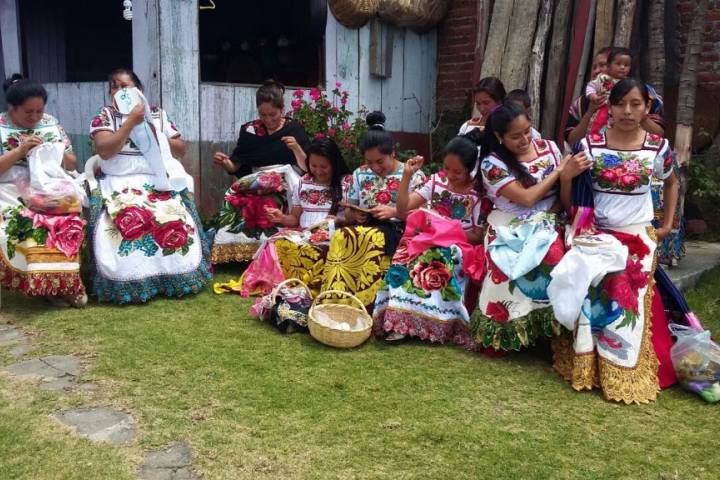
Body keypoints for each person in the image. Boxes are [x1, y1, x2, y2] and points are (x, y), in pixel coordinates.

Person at [551, 79, 679, 404]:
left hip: (637, 235)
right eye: (620, 104)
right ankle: (588, 365)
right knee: (593, 290)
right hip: (595, 235)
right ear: (609, 107)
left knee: (626, 293)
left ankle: (623, 368)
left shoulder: (658, 148)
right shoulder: (590, 146)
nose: (627, 111)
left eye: (636, 104)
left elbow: (672, 182)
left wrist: (666, 225)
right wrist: (566, 178)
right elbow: (571, 204)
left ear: (647, 108)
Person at [470, 102, 586, 352]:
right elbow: (527, 198)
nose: (524, 140)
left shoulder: (549, 148)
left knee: (558, 255)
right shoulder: (492, 164)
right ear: (500, 137)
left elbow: (564, 197)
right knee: (516, 261)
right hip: (510, 227)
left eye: (527, 131)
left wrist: (563, 184)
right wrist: (559, 171)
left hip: (550, 218)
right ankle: (509, 331)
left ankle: (555, 332)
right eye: (515, 136)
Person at [88, 68, 212, 303]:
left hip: (156, 181)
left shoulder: (156, 114)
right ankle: (131, 283)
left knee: (172, 219)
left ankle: (174, 278)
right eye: (114, 87)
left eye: (124, 86)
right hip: (120, 183)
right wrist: (130, 123)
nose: (118, 91)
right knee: (127, 224)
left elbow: (181, 149)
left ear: (139, 89)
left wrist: (156, 132)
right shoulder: (105, 115)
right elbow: (104, 151)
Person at [373, 135, 485, 347]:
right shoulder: (437, 181)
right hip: (428, 240)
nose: (450, 175)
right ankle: (400, 320)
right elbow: (403, 208)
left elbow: (477, 235)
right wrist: (407, 175)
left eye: (457, 172)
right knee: (404, 255)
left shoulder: (478, 193)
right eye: (446, 168)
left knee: (435, 259)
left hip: (459, 247)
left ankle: (434, 322)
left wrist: (446, 231)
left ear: (471, 169)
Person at [216, 137, 353, 297]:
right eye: (313, 165)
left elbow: (353, 217)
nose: (318, 171)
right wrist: (281, 217)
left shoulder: (346, 183)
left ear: (334, 163)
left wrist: (339, 220)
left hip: (334, 234)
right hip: (304, 233)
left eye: (324, 166)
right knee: (273, 242)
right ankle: (273, 283)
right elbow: (294, 219)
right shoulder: (304, 182)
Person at [318, 111, 426, 310]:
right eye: (369, 162)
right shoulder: (360, 174)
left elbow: (423, 217)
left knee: (370, 237)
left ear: (392, 153)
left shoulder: (412, 174)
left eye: (380, 161)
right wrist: (355, 214)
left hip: (398, 229)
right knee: (342, 236)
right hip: (367, 226)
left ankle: (365, 304)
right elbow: (347, 213)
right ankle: (335, 299)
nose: (375, 167)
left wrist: (393, 212)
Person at [0, 75, 87, 307]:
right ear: (12, 107)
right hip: (9, 189)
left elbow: (72, 163)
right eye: (28, 112)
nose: (35, 117)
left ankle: (66, 283)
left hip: (47, 186)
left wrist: (54, 152)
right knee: (30, 224)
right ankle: (46, 284)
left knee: (65, 221)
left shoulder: (51, 123)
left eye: (39, 111)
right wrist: (19, 152)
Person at [210, 80, 310, 263]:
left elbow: (306, 167)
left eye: (273, 115)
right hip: (255, 182)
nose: (268, 120)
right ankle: (234, 250)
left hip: (285, 184)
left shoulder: (294, 129)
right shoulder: (250, 130)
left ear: (282, 109)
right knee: (235, 198)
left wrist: (296, 147)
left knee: (269, 202)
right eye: (263, 115)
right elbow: (236, 166)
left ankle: (273, 249)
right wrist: (225, 163)